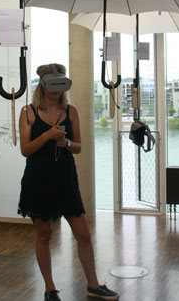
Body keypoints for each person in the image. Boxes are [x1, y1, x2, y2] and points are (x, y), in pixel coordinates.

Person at [17, 64, 119, 301]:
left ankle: (93, 285)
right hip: (38, 179)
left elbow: (79, 147)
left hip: (65, 178)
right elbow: (25, 150)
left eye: (59, 84)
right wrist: (46, 136)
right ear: (42, 85)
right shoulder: (28, 112)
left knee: (82, 233)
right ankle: (50, 289)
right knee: (43, 234)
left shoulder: (71, 111)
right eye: (52, 84)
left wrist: (67, 144)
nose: (56, 90)